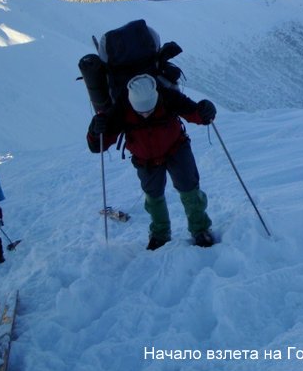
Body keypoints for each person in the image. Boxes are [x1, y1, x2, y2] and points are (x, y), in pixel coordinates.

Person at [87, 74, 217, 250]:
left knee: (189, 188)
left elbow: (193, 112)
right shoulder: (121, 107)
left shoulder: (168, 96)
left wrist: (205, 111)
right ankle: (160, 234)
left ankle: (200, 229)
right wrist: (95, 131)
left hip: (176, 148)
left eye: (149, 109)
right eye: (141, 112)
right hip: (146, 159)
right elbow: (97, 145)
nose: (146, 114)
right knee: (153, 196)